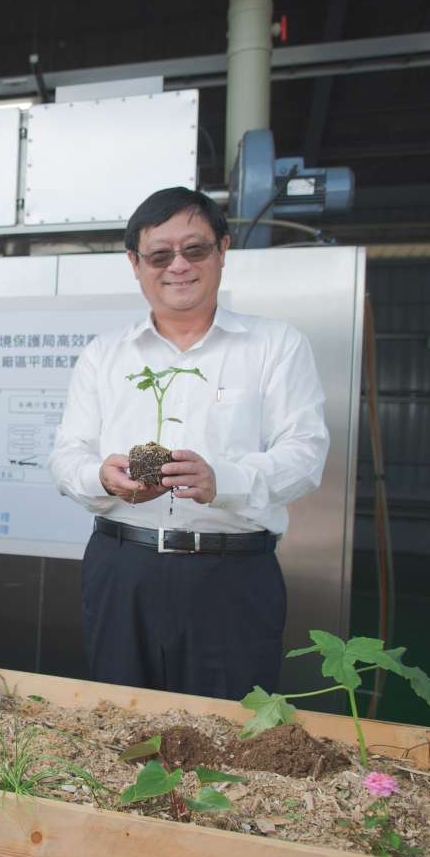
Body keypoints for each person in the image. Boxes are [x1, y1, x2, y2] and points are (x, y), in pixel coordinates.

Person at [50, 186, 329, 699]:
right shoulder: (104, 354)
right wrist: (100, 477)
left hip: (232, 573)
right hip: (122, 568)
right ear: (135, 264)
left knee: (227, 731)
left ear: (223, 250)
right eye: (159, 254)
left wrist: (222, 480)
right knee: (119, 719)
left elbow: (306, 455)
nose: (177, 266)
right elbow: (68, 454)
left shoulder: (276, 346)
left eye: (195, 249)